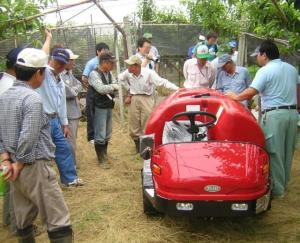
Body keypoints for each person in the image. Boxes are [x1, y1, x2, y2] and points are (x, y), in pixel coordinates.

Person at [0, 48, 72, 243]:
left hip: (14, 168)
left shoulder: (4, 97)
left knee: (23, 217)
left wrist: (7, 159)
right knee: (58, 218)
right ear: (38, 73)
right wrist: (20, 163)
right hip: (34, 166)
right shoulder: (32, 99)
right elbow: (28, 136)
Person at [226, 40, 299, 198]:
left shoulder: (265, 71)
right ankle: (284, 183)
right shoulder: (291, 69)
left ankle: (277, 191)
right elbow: (298, 89)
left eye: (258, 55)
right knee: (288, 150)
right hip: (293, 114)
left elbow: (251, 92)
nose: (257, 58)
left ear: (264, 55)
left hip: (274, 115)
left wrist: (236, 97)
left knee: (274, 152)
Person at [37, 48, 82, 186]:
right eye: (58, 62)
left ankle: (69, 179)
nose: (60, 66)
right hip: (42, 118)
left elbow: (61, 103)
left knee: (64, 147)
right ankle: (45, 182)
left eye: (63, 63)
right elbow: (40, 57)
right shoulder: (42, 74)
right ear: (52, 60)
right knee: (44, 152)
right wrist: (48, 39)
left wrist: (65, 123)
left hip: (55, 119)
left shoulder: (60, 80)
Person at [118, 55, 179, 153]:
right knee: (134, 122)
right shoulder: (128, 73)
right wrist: (128, 89)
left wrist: (177, 89)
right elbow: (120, 78)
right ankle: (138, 146)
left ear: (136, 66)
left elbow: (161, 82)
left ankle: (146, 149)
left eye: (130, 65)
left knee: (147, 123)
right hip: (135, 97)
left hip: (147, 98)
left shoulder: (149, 73)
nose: (128, 67)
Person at [88, 52, 119, 169]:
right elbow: (101, 89)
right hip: (99, 107)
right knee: (100, 133)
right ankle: (101, 159)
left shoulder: (109, 73)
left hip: (108, 106)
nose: (113, 66)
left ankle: (104, 155)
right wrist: (113, 87)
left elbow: (116, 84)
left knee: (107, 132)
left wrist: (111, 87)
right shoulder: (94, 74)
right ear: (104, 63)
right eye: (111, 63)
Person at [82, 43, 110, 144]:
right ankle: (91, 136)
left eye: (107, 51)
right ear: (98, 52)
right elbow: (84, 77)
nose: (106, 53)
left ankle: (100, 135)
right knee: (91, 113)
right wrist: (91, 87)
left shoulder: (108, 64)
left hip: (103, 93)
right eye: (104, 51)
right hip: (93, 92)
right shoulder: (91, 63)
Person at [60, 49, 83, 168]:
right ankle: (71, 166)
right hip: (67, 113)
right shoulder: (60, 75)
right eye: (72, 60)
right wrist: (74, 90)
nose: (74, 62)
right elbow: (68, 92)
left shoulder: (69, 73)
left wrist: (73, 89)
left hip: (73, 112)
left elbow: (79, 85)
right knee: (69, 142)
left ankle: (71, 164)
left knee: (72, 140)